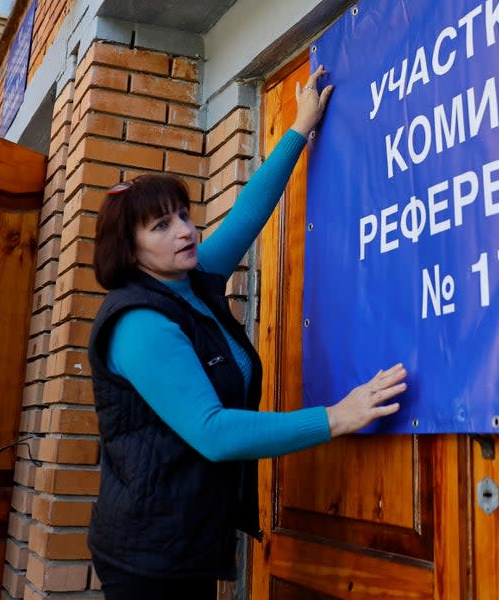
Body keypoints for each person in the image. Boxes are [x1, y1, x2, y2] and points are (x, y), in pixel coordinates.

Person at [87, 65, 409, 600]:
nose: (185, 231)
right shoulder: (139, 323)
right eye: (160, 226)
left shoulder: (191, 280)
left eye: (184, 216)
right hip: (149, 556)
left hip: (182, 538)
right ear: (130, 248)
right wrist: (336, 417)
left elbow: (247, 213)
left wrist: (300, 126)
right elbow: (213, 433)